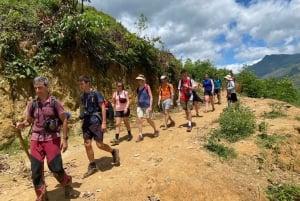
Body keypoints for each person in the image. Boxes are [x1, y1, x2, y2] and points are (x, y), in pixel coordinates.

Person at [14, 76, 74, 201]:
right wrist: (21, 125)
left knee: (55, 168)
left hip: (52, 138)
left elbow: (64, 120)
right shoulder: (32, 104)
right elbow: (28, 121)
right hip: (36, 139)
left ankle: (66, 182)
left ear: (47, 87)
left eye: (40, 88)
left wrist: (65, 139)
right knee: (36, 170)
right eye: (35, 88)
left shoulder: (54, 102)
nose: (37, 90)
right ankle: (42, 195)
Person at [78, 75, 120, 179]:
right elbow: (83, 107)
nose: (80, 85)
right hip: (86, 122)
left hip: (96, 121)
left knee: (99, 145)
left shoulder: (96, 93)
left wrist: (104, 122)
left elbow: (102, 107)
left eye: (82, 83)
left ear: (88, 83)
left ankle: (113, 151)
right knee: (87, 144)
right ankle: (92, 166)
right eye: (80, 84)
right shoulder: (83, 96)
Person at [135, 74, 159, 142]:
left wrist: (151, 106)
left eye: (140, 79)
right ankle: (140, 135)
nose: (139, 81)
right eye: (138, 80)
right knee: (139, 120)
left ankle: (155, 130)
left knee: (148, 119)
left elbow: (151, 96)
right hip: (140, 106)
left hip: (147, 106)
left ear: (143, 80)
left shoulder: (147, 86)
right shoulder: (138, 88)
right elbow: (138, 97)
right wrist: (137, 104)